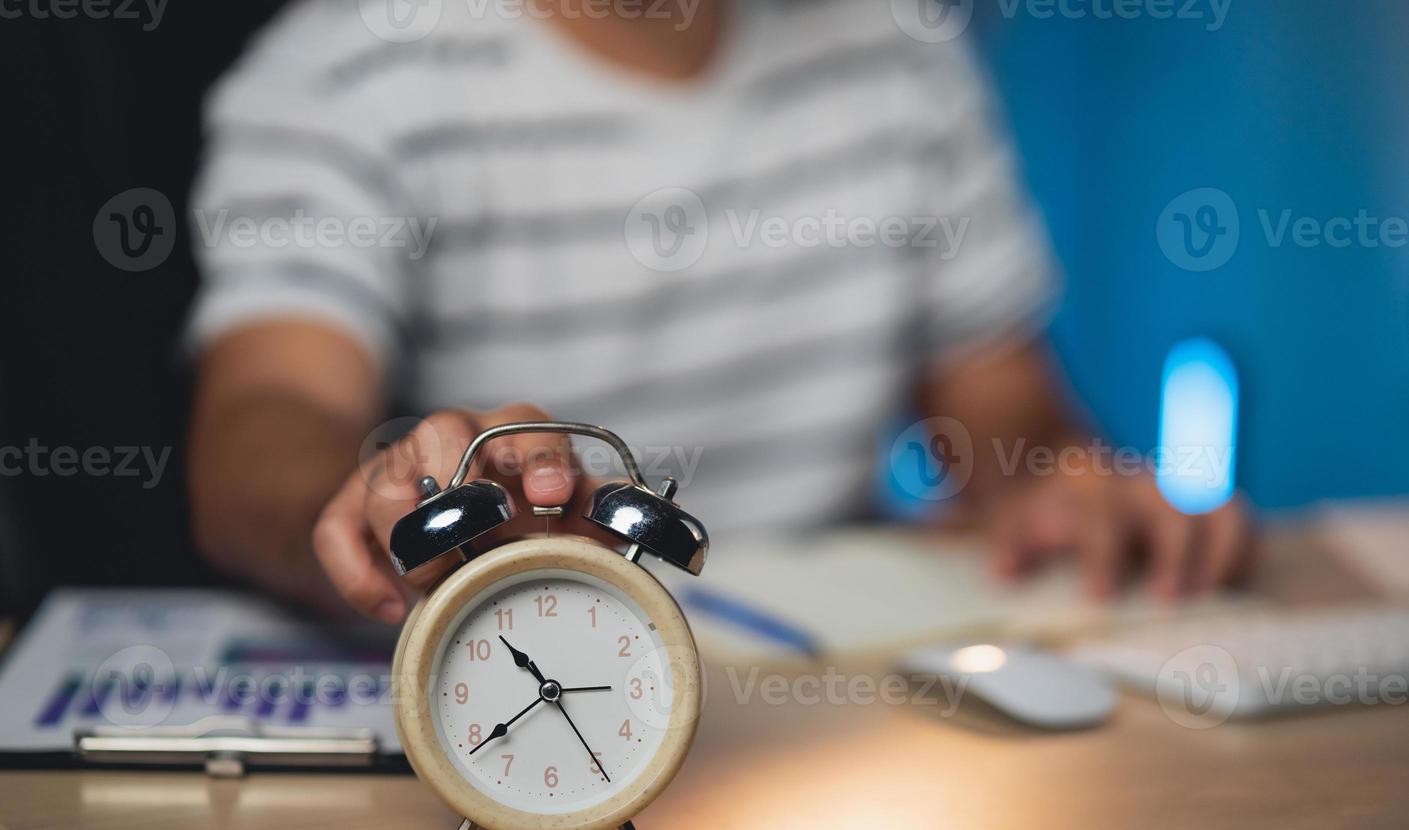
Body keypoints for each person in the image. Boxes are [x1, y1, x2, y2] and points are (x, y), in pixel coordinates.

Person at [186, 0, 1250, 624]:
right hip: (522, 669)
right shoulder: (343, 66)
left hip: (848, 706)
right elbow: (260, 424)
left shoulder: (895, 42)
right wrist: (373, 494)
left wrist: (1052, 479)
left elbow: (999, 407)